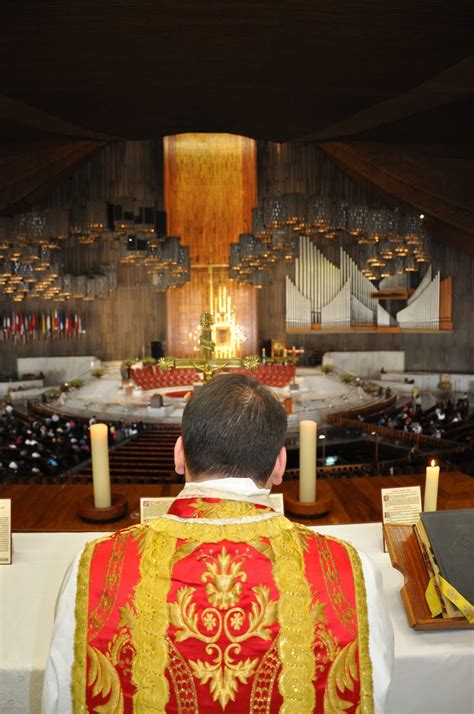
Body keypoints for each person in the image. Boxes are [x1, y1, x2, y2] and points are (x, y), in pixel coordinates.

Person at [42, 374, 393, 713]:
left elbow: (59, 702)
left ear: (179, 454)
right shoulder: (352, 571)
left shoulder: (93, 569)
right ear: (279, 465)